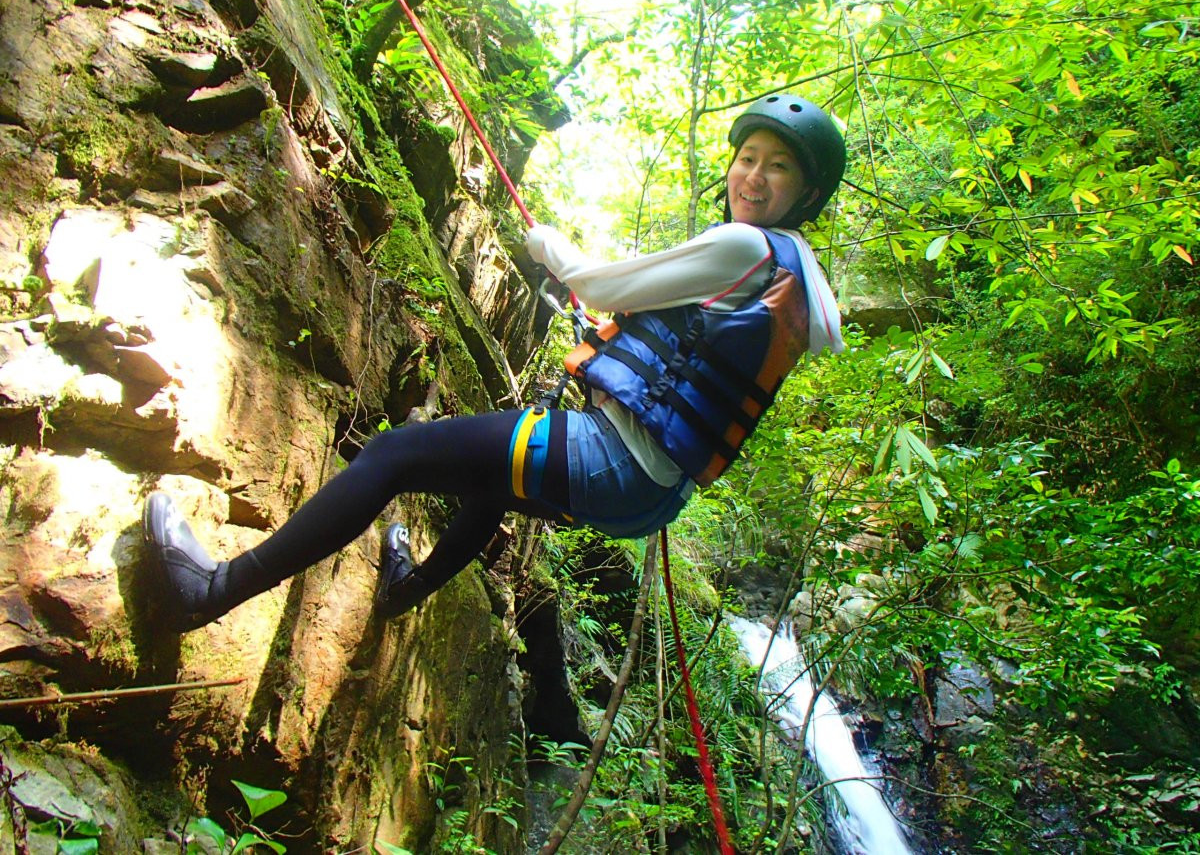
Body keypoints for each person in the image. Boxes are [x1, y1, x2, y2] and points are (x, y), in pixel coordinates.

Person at [143, 93, 847, 632]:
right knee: (495, 484)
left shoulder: (745, 248)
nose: (753, 176)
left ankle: (209, 592)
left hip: (616, 461)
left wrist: (553, 247)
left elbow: (598, 281)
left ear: (806, 194)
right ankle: (403, 590)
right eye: (748, 157)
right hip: (652, 494)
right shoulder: (801, 276)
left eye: (778, 166)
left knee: (392, 455)